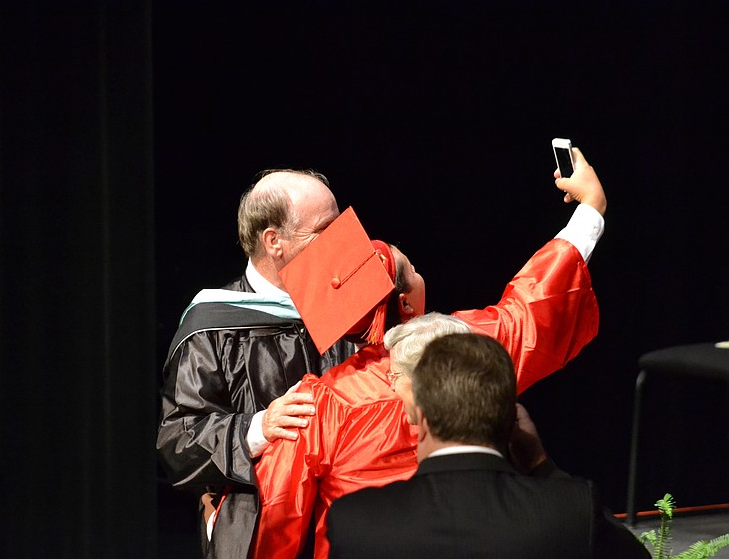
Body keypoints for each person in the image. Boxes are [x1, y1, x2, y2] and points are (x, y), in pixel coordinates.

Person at [249, 148, 608, 559]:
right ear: (405, 302)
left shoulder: (315, 405)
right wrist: (592, 207)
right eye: (413, 268)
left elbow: (278, 517)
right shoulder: (466, 353)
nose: (422, 275)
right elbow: (533, 305)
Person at [157, 169, 358, 559]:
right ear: (274, 241)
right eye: (324, 230)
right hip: (258, 524)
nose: (343, 241)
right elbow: (178, 440)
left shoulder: (354, 308)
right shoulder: (213, 324)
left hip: (349, 518)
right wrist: (257, 428)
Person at [326, 333, 650, 559]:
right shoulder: (571, 512)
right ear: (513, 420)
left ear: (420, 418)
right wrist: (540, 465)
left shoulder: (356, 521)